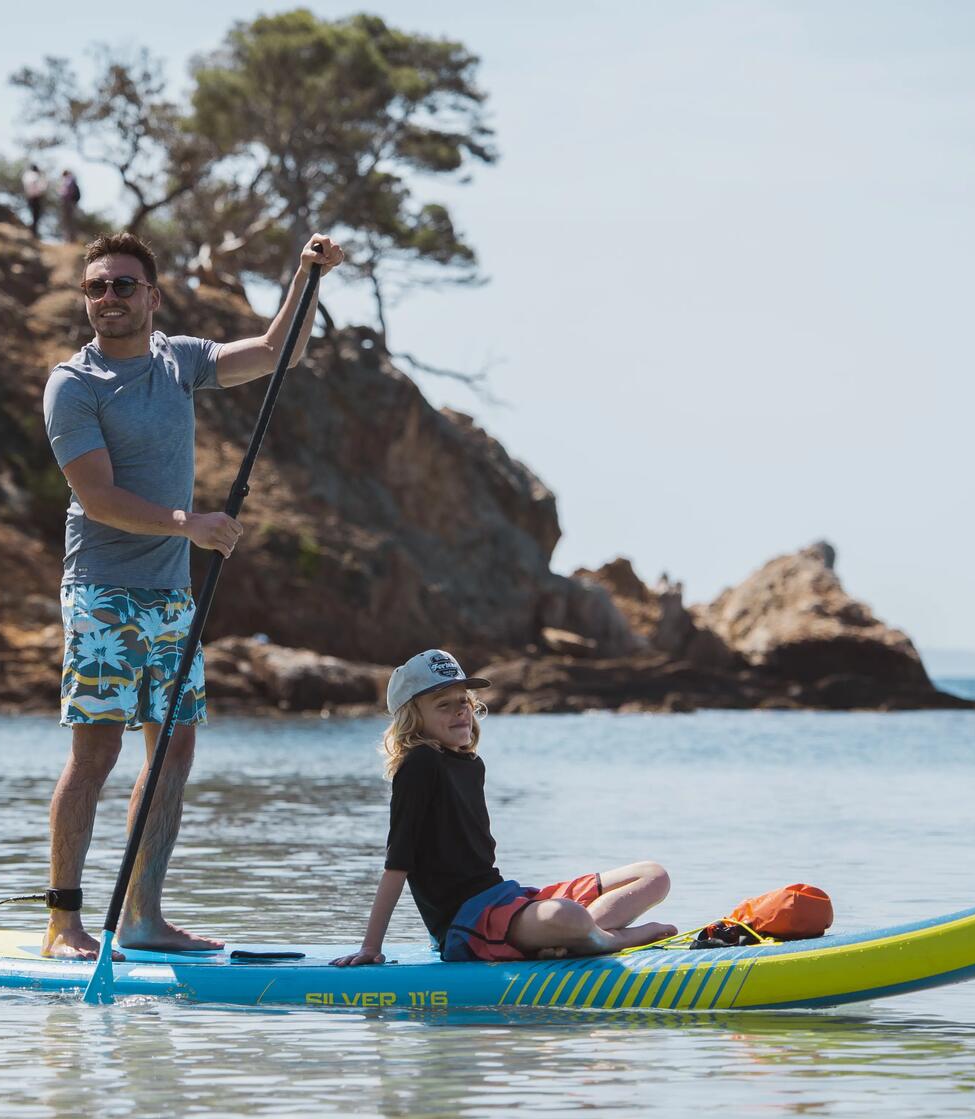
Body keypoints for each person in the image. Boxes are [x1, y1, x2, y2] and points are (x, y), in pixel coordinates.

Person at [40, 229, 345, 960]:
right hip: (103, 592)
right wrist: (191, 524)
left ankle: (143, 916)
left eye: (121, 285)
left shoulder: (178, 359)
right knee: (97, 754)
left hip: (172, 596)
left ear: (152, 294)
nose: (107, 298)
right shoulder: (72, 385)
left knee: (174, 750)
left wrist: (308, 276)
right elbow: (99, 496)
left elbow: (279, 352)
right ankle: (64, 922)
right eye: (95, 287)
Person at [332, 650, 676, 967]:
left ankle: (574, 940)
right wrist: (371, 947)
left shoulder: (470, 764)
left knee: (653, 875)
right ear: (412, 716)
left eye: (463, 701)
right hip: (467, 922)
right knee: (568, 917)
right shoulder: (420, 764)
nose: (460, 710)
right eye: (443, 704)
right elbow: (398, 862)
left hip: (505, 900)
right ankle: (610, 941)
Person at [22, 163, 47, 236]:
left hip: (29, 197)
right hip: (36, 198)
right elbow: (42, 188)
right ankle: (33, 231)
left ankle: (32, 230)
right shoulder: (36, 176)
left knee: (32, 214)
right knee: (36, 215)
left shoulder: (26, 176)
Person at [58, 169, 81, 243]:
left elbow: (65, 192)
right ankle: (71, 238)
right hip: (72, 203)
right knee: (71, 221)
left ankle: (69, 239)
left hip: (68, 202)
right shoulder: (72, 179)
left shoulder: (67, 180)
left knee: (68, 221)